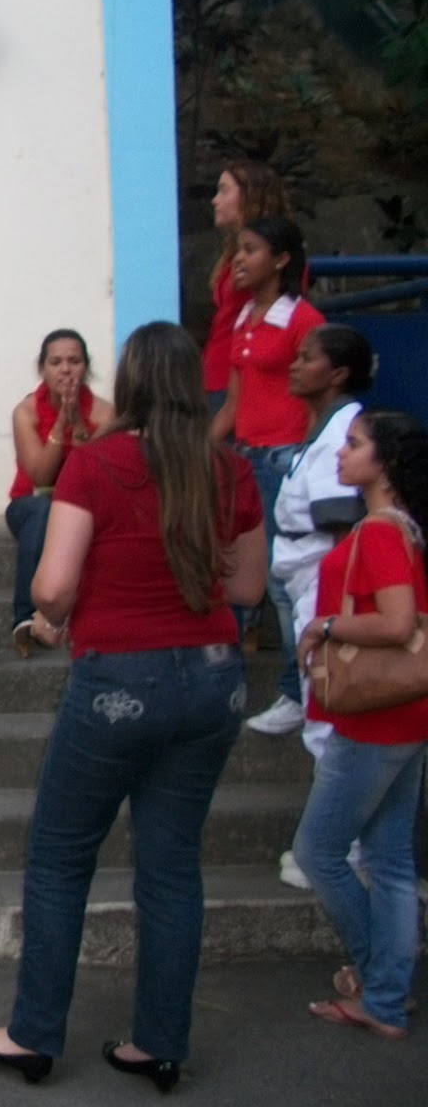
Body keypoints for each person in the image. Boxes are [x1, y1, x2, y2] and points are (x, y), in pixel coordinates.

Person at [0, 322, 266, 1089]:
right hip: (214, 678)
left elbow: (51, 589)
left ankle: (33, 1034)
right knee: (172, 868)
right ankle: (160, 1044)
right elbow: (247, 587)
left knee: (61, 859)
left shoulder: (96, 462)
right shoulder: (229, 469)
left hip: (121, 681)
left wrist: (56, 617)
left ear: (127, 383)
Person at [293, 410, 428, 1041]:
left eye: (354, 445)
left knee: (317, 851)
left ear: (386, 463)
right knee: (391, 858)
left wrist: (323, 627)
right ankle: (387, 993)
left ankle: (381, 985)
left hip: (372, 718)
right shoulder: (405, 528)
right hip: (407, 710)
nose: (340, 454)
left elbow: (397, 622)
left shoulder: (378, 532)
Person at [211, 216, 325, 729]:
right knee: (232, 570)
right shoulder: (243, 319)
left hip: (283, 461)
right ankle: (226, 681)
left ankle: (297, 695)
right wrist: (193, 452)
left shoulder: (304, 319)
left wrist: (306, 458)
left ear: (280, 260)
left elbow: (321, 399)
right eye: (238, 249)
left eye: (251, 249)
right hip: (243, 461)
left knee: (285, 579)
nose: (238, 258)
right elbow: (233, 405)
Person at [248, 325, 372, 742]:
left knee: (324, 707)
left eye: (307, 358)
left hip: (322, 576)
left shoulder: (342, 431)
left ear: (337, 373)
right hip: (303, 571)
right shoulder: (325, 423)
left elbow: (341, 525)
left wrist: (336, 601)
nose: (294, 366)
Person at [6, 329, 115, 656]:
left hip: (83, 507)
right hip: (31, 503)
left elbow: (90, 474)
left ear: (86, 367)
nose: (65, 370)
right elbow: (40, 476)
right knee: (43, 511)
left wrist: (78, 423)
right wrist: (59, 426)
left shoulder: (104, 413)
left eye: (74, 361)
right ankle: (26, 616)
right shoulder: (25, 411)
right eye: (56, 362)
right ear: (42, 369)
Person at [202, 161, 289, 414]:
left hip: (243, 378)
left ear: (249, 196)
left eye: (224, 190)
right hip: (216, 374)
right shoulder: (233, 254)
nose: (215, 200)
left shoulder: (277, 257)